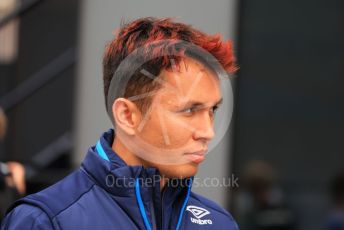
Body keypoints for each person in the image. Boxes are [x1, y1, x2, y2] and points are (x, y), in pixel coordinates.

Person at [1, 17, 239, 229]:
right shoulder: (44, 221)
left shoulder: (219, 222)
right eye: (189, 110)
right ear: (127, 116)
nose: (208, 131)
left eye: (212, 110)